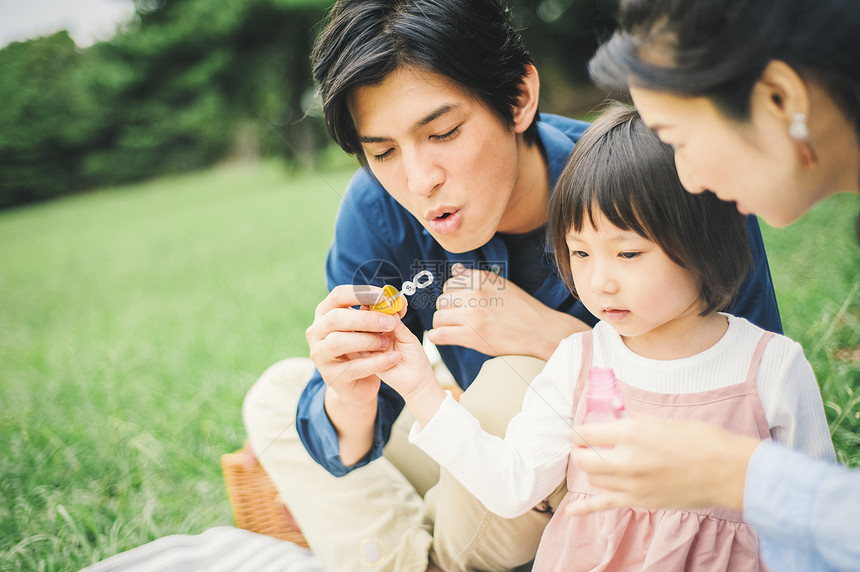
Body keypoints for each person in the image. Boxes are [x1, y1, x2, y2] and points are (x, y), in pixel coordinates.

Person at [242, 1, 782, 570]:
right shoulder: (378, 214)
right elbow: (356, 444)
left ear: (519, 98)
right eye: (383, 152)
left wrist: (558, 340)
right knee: (283, 395)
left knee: (519, 381)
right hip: (478, 459)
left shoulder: (662, 186)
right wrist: (349, 398)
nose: (419, 180)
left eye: (444, 132)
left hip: (605, 487)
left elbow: (747, 409)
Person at [369, 103, 835, 571]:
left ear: (703, 244)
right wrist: (420, 389)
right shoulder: (579, 362)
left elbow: (818, 517)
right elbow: (512, 487)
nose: (600, 282)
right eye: (580, 253)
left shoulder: (771, 367)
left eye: (628, 253)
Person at [563, 1, 860, 571]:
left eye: (678, 138)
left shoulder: (767, 365)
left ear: (779, 97)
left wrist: (741, 476)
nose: (689, 179)